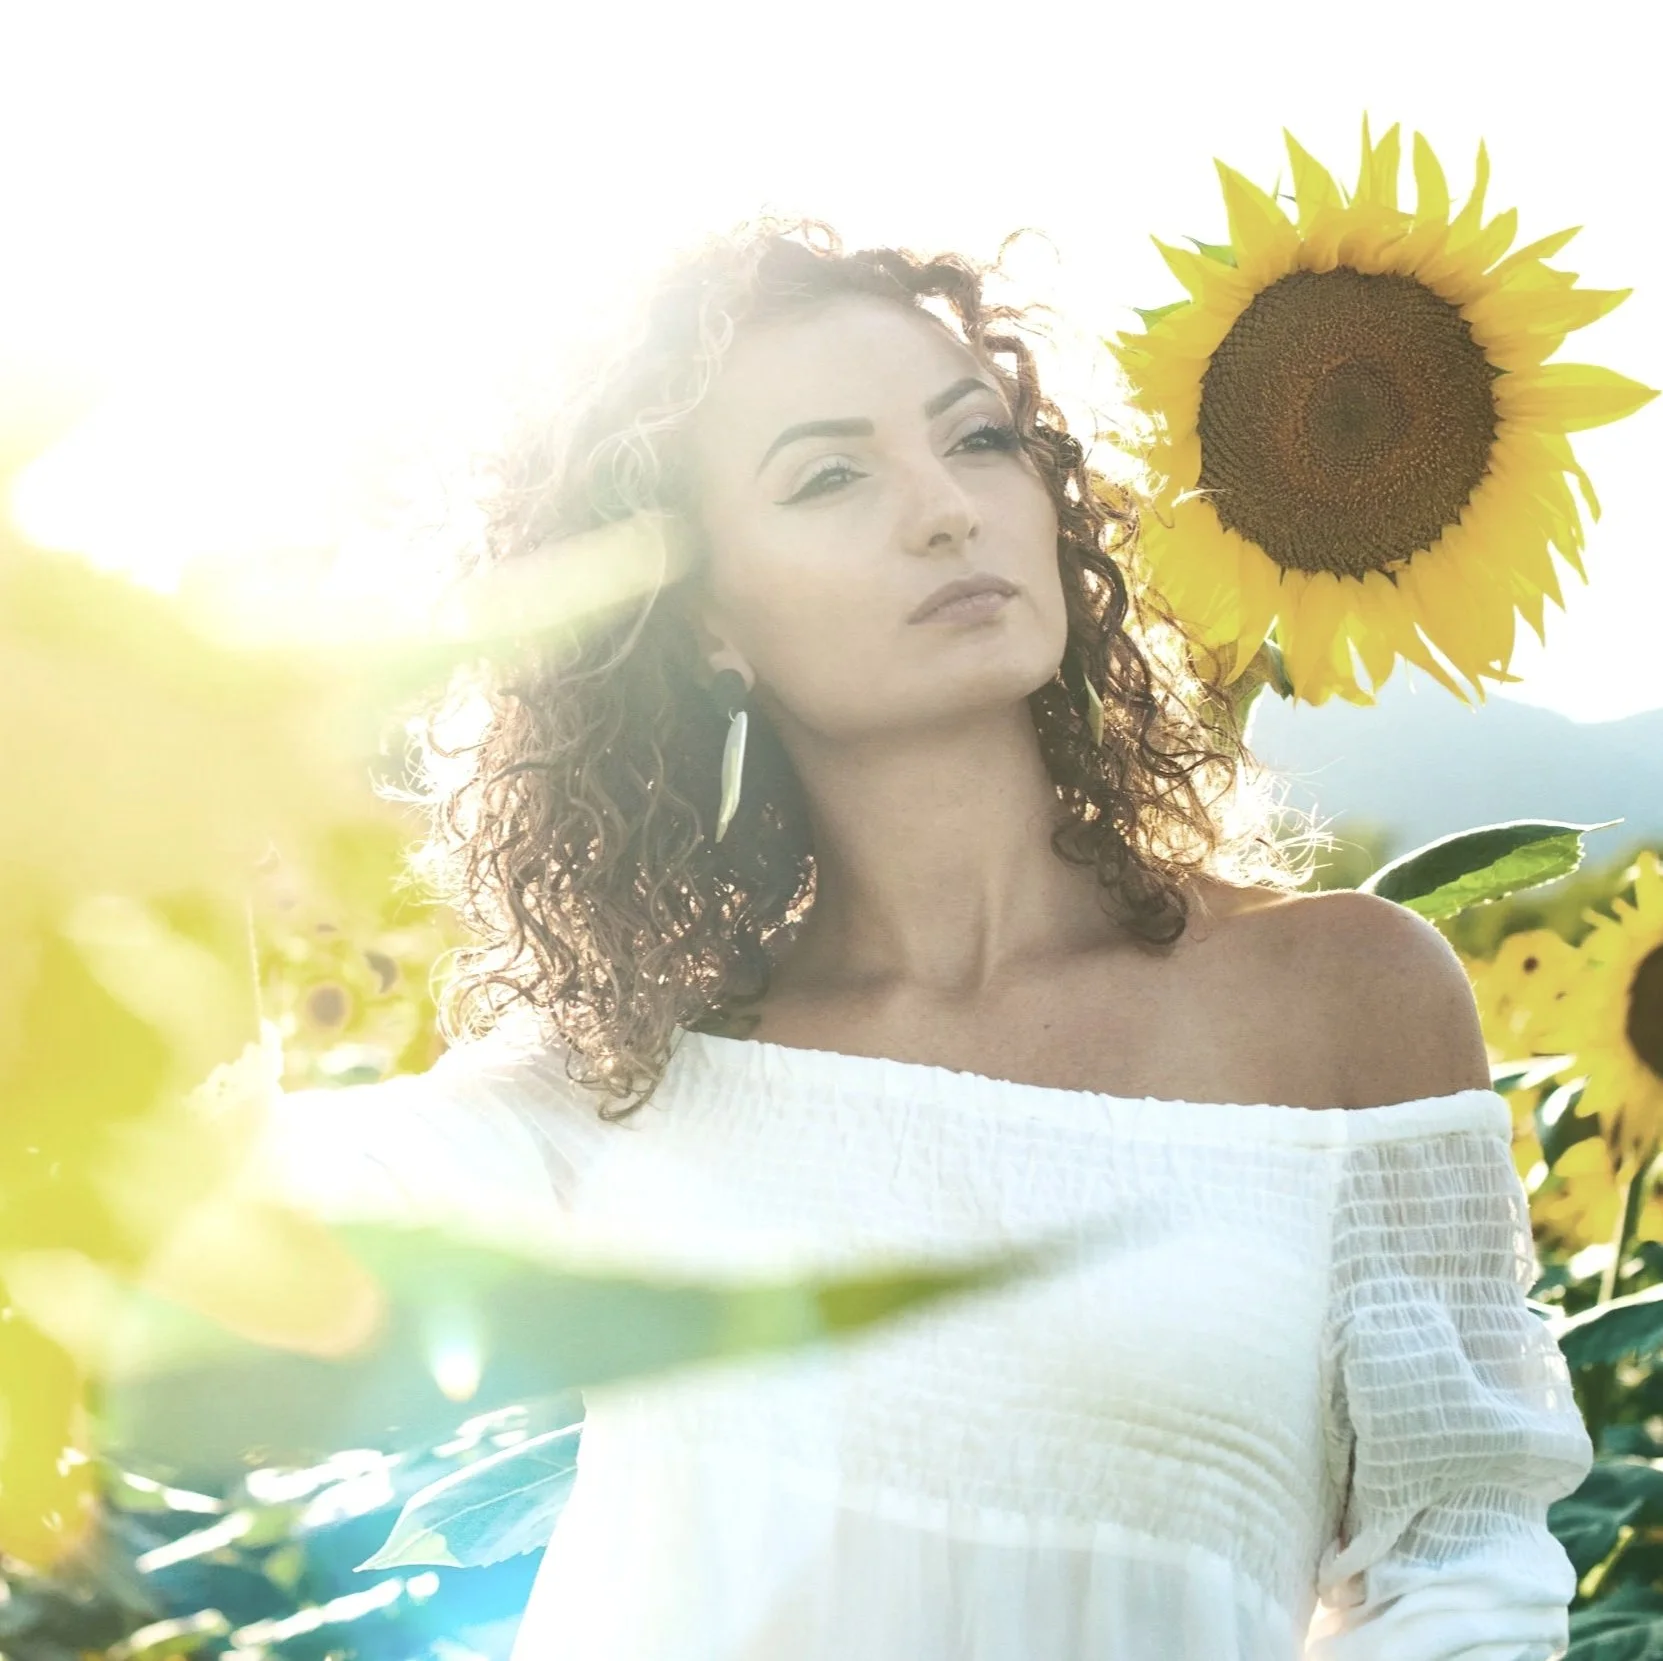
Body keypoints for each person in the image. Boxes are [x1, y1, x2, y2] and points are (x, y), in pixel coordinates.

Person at [258, 219, 1594, 1658]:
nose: (946, 510)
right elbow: (236, 1235)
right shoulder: (634, 1055)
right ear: (702, 615)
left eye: (978, 439)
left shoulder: (1343, 992)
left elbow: (1460, 1565)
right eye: (830, 474)